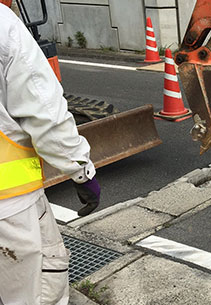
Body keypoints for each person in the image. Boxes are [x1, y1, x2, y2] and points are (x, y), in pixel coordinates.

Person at [0, 4, 100, 305]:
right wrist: (81, 170)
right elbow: (45, 113)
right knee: (37, 292)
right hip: (9, 205)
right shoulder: (4, 25)